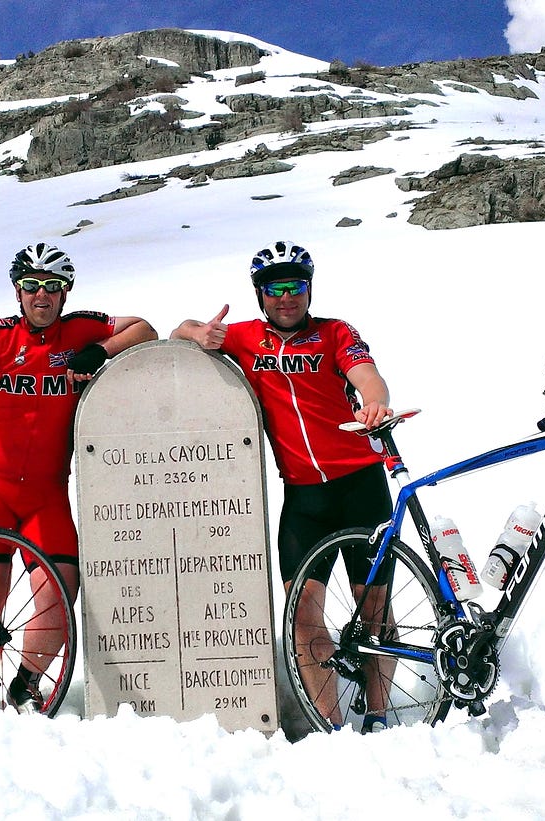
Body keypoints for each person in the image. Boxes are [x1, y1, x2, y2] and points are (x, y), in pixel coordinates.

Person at [172, 240, 396, 732]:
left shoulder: (335, 332)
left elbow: (368, 376)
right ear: (260, 294)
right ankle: (330, 726)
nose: (286, 298)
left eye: (295, 286)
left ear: (309, 289)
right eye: (275, 288)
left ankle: (379, 714)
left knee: (374, 610)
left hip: (361, 484)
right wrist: (200, 333)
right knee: (303, 616)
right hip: (304, 497)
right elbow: (180, 331)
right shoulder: (247, 337)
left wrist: (374, 403)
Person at [0, 242, 157, 717]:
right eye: (31, 286)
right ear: (18, 291)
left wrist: (99, 351)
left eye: (52, 286)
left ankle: (26, 682)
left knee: (61, 589)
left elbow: (144, 328)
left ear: (65, 292)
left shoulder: (79, 330)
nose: (41, 295)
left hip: (45, 493)